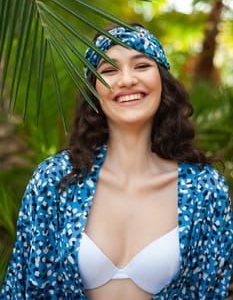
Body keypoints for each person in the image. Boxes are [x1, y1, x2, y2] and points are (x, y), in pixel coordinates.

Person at [1, 24, 232, 300]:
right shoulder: (54, 180)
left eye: (141, 65)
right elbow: (21, 288)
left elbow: (214, 290)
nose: (126, 80)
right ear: (94, 89)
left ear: (162, 81)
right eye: (109, 70)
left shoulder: (205, 189)